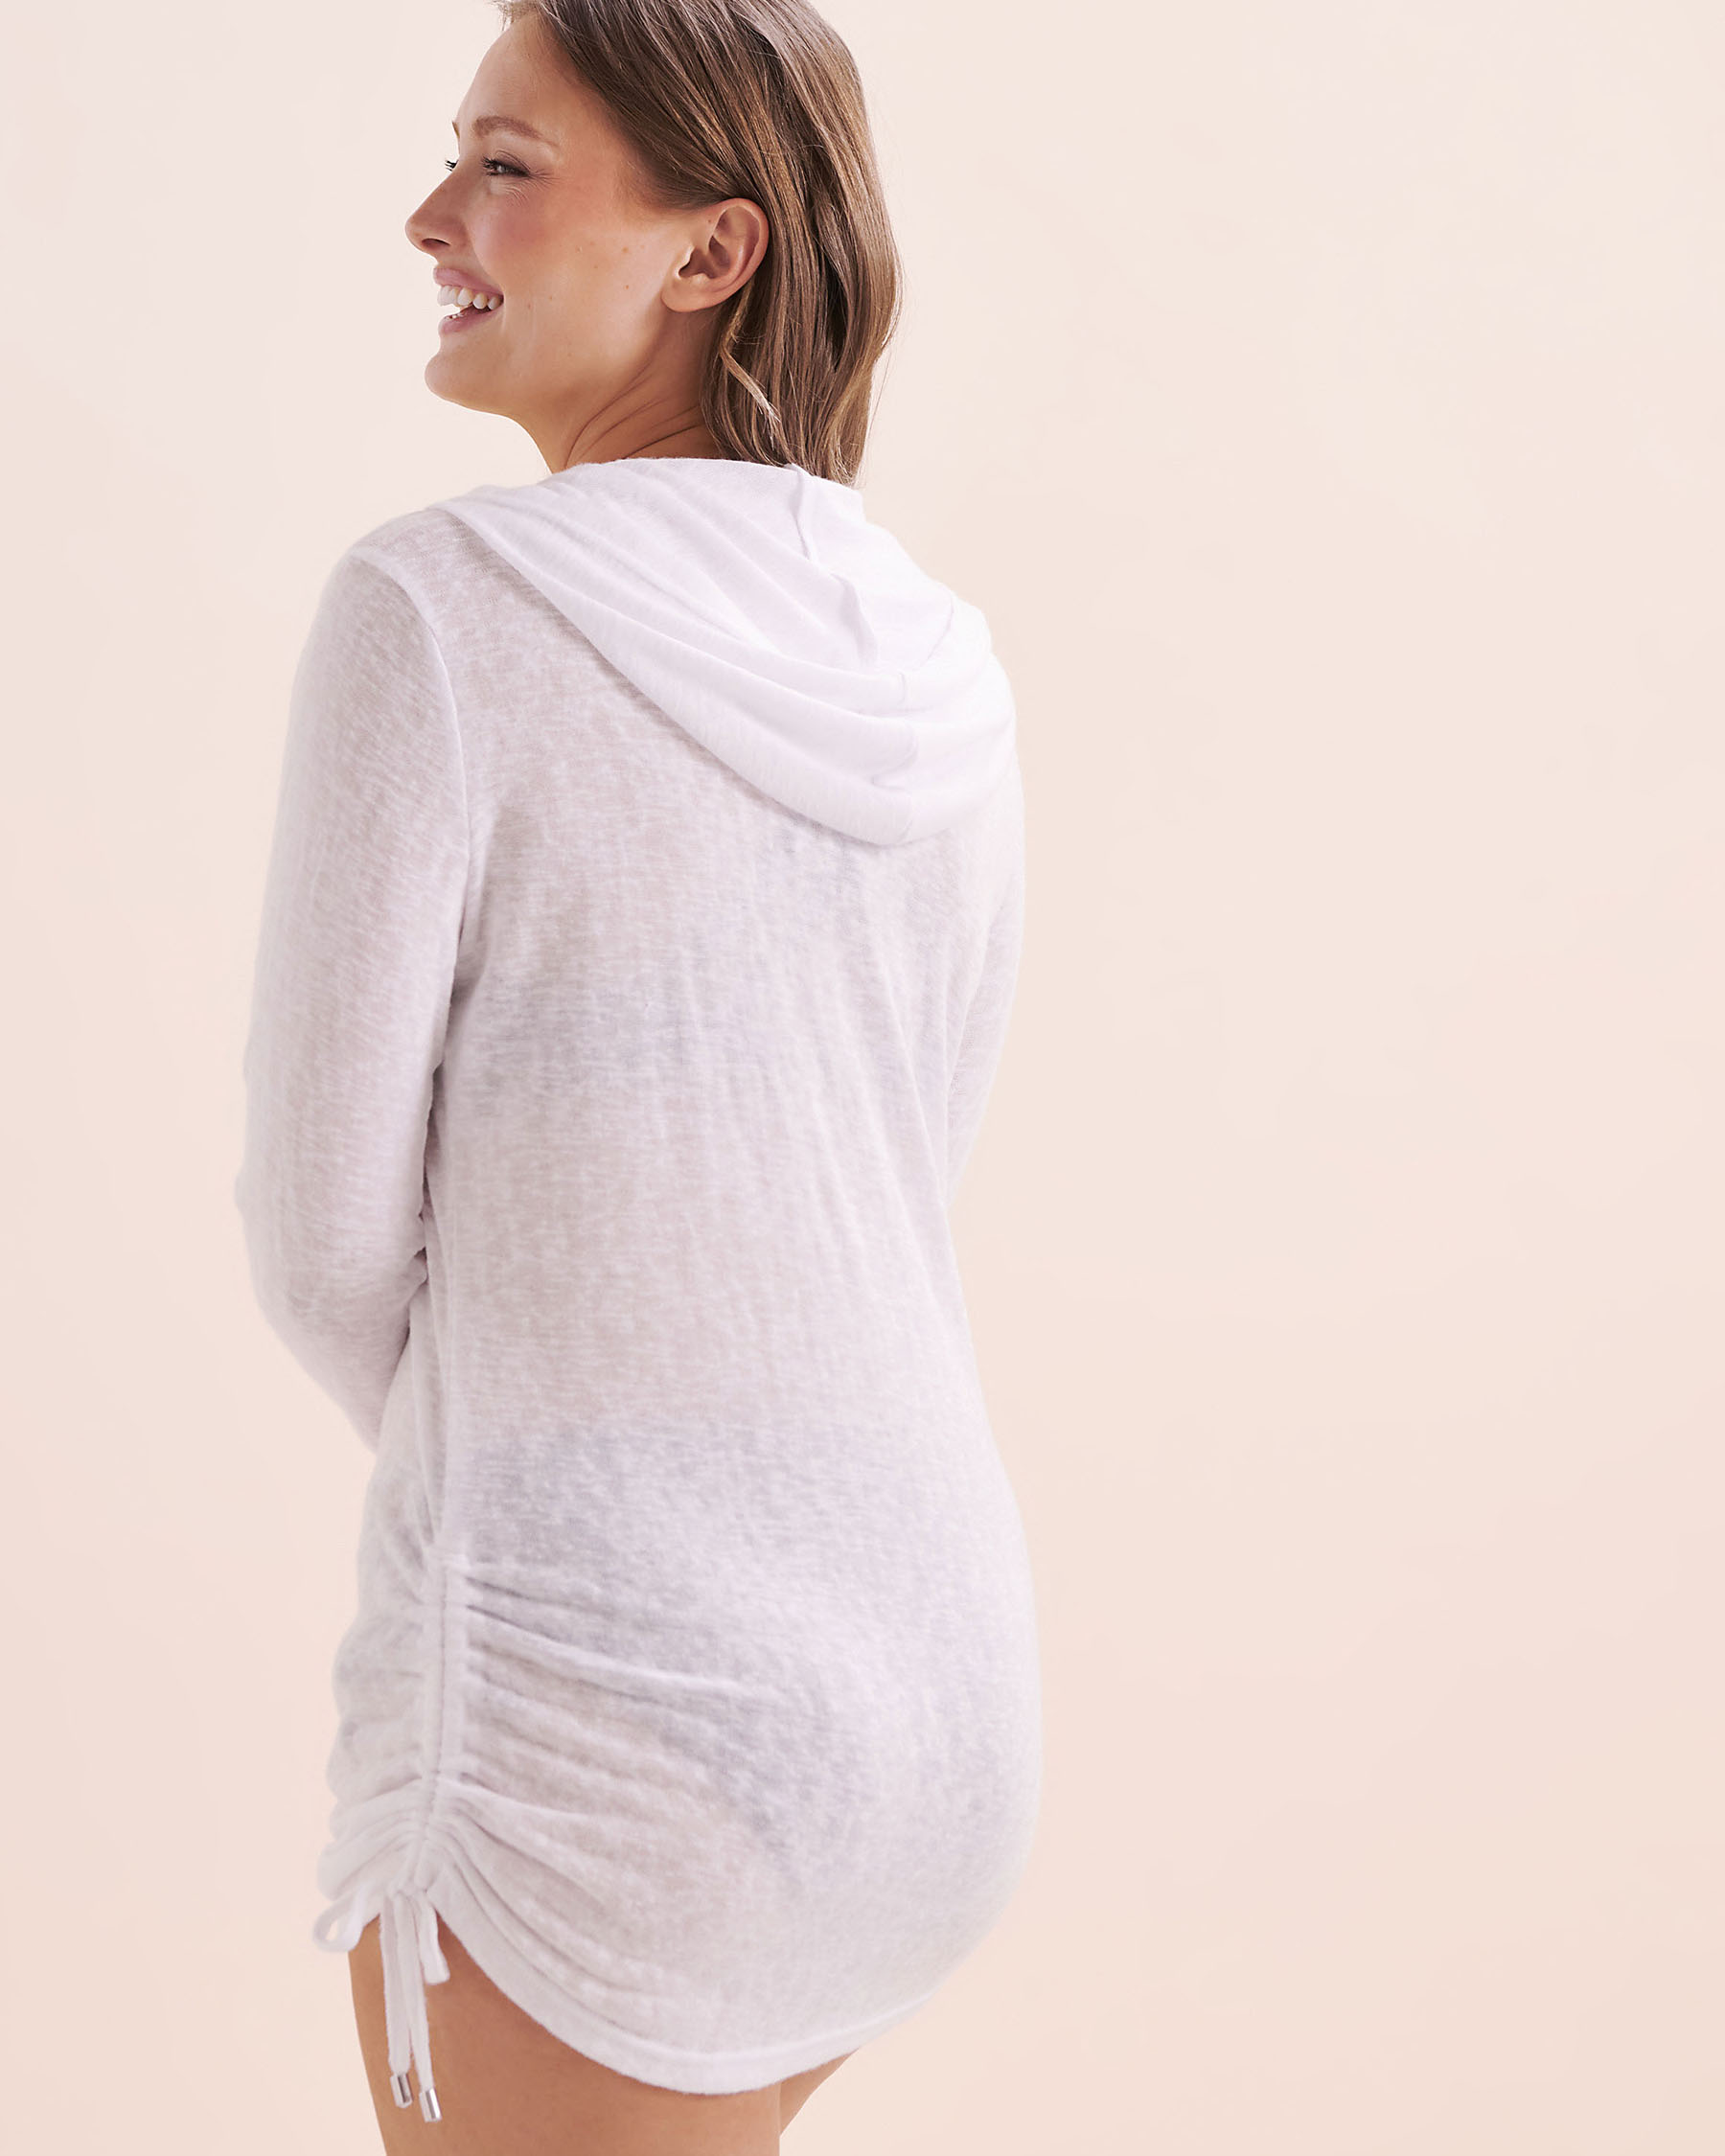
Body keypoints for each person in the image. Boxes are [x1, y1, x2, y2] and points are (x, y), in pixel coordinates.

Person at [234, 0, 1039, 2146]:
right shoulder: (938, 660)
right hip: (937, 1679)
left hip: (612, 1708)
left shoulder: (442, 610)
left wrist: (558, 1471)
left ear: (713, 250)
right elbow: (891, 1174)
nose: (433, 216)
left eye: (505, 166)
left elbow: (320, 1242)